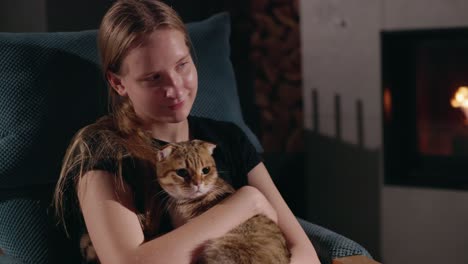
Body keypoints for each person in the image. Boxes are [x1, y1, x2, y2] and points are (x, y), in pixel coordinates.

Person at [53, 0, 320, 263]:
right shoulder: (104, 150)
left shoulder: (228, 138)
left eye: (182, 65)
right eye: (154, 78)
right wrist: (246, 202)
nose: (176, 88)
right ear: (118, 83)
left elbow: (304, 252)